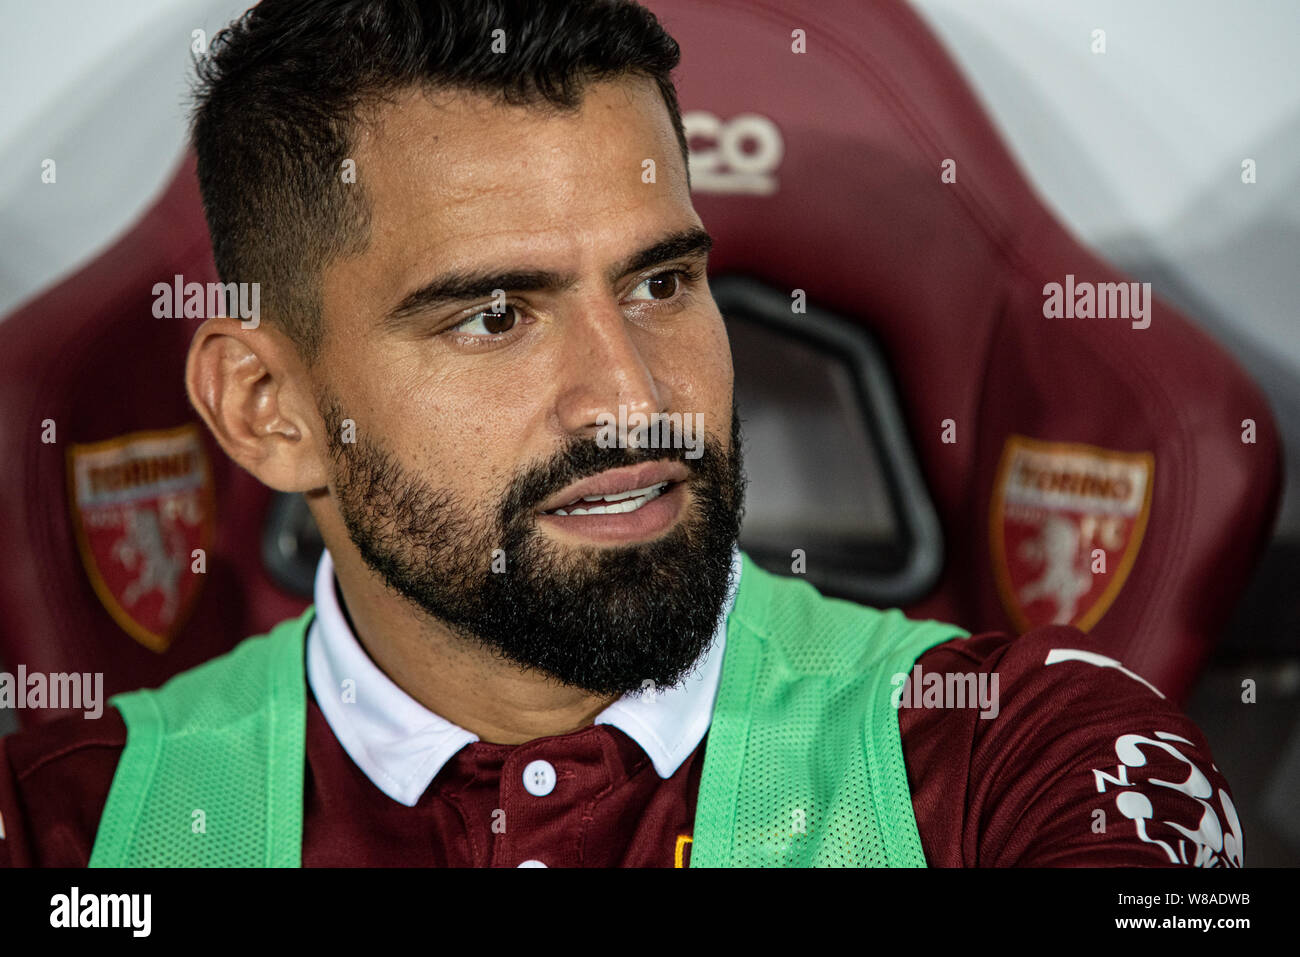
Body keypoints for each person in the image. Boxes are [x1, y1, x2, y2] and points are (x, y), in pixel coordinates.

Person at [0, 0, 1242, 867]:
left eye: (659, 284)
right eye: (495, 314)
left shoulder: (1022, 754)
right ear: (268, 411)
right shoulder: (67, 824)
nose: (629, 396)